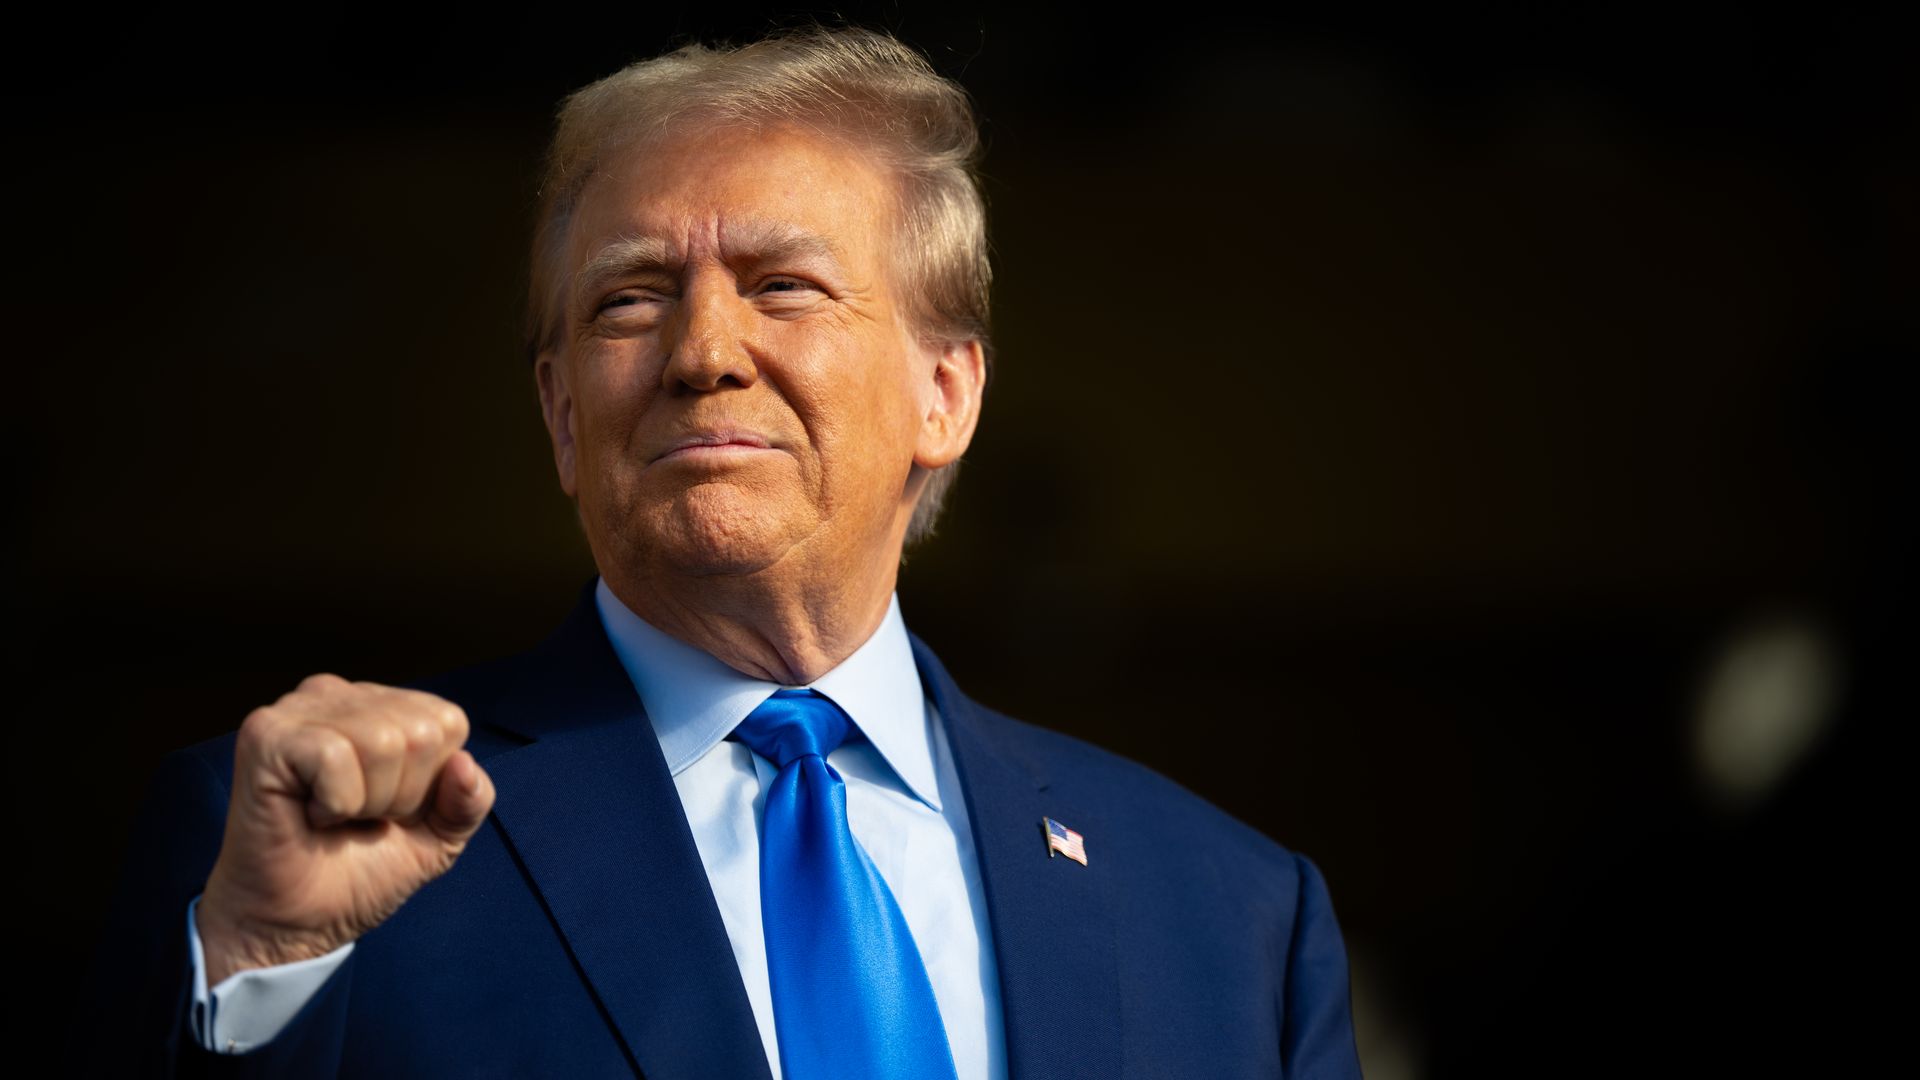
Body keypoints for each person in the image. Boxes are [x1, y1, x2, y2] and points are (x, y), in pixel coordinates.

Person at [85, 27, 1364, 1079]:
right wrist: (258, 973)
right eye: (631, 299)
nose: (702, 352)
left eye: (784, 287)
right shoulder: (307, 850)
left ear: (946, 393)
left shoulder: (1232, 918)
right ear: (561, 415)